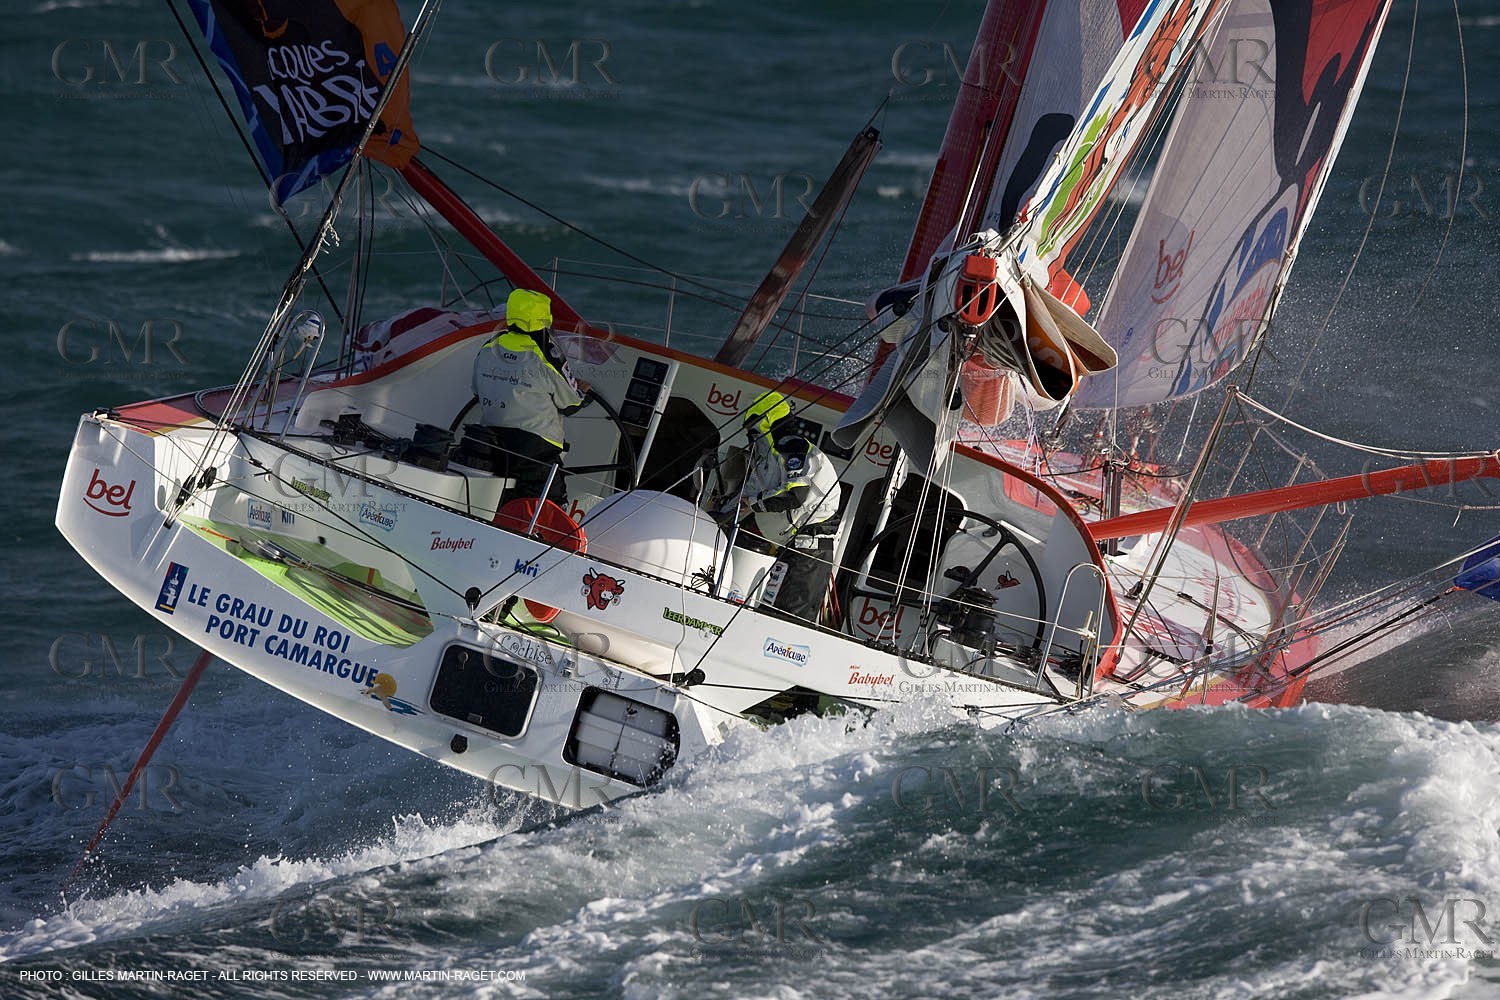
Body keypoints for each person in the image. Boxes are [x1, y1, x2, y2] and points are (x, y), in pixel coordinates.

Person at [713, 391, 841, 621]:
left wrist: (753, 504)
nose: (752, 439)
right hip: (791, 550)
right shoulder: (768, 462)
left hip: (811, 553)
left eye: (754, 430)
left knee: (789, 620)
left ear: (768, 422)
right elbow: (742, 502)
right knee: (768, 615)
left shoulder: (795, 447)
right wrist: (710, 521)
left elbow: (796, 495)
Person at [471, 288, 589, 505]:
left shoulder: (488, 348)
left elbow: (477, 391)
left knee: (498, 503)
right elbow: (571, 403)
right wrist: (582, 392)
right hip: (536, 450)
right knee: (545, 508)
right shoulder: (546, 356)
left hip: (491, 443)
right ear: (544, 320)